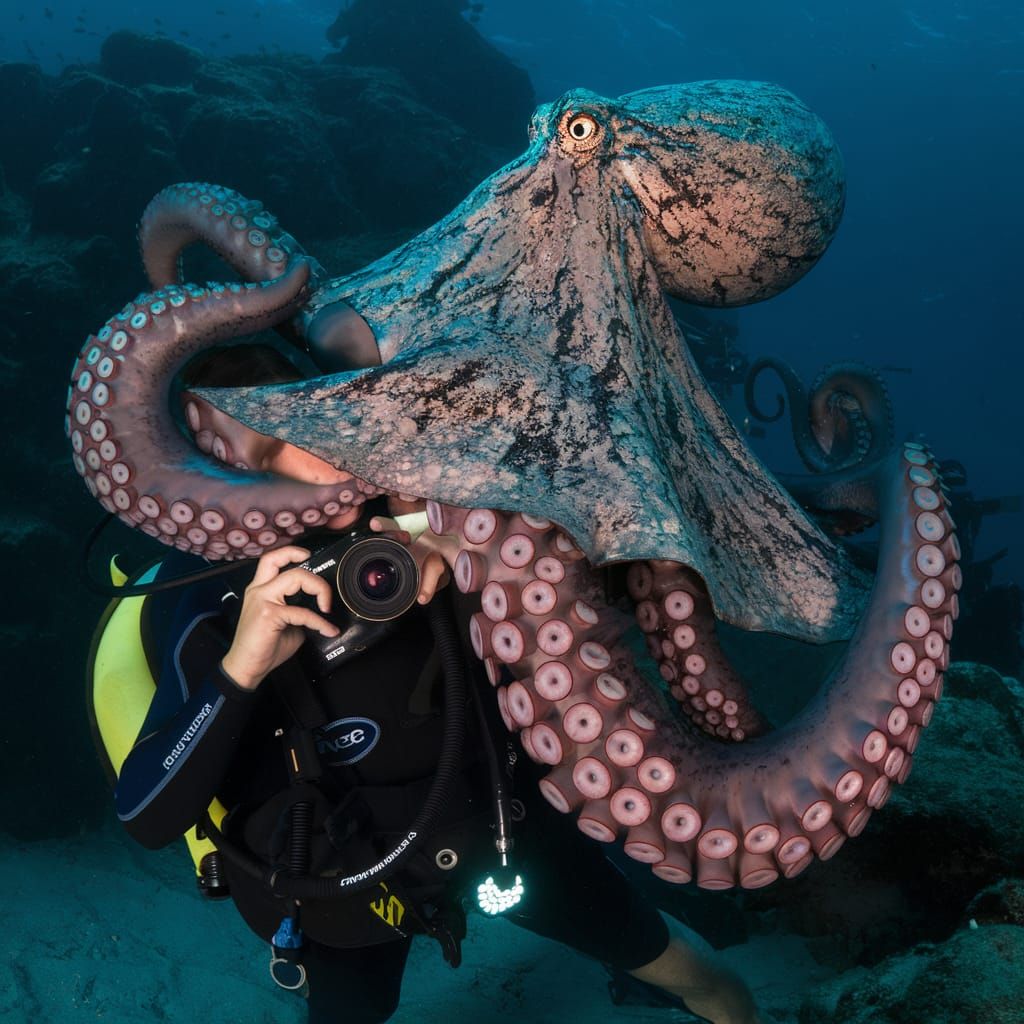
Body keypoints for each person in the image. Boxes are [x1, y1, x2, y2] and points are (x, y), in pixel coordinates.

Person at [110, 345, 768, 1024]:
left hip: (505, 832)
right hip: (351, 881)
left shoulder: (439, 513)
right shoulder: (222, 600)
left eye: (316, 423)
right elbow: (146, 814)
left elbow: (610, 549)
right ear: (223, 482)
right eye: (270, 453)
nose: (320, 464)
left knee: (699, 977)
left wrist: (476, 556)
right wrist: (239, 670)